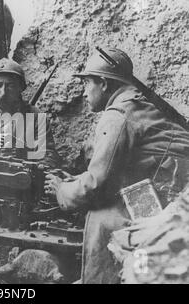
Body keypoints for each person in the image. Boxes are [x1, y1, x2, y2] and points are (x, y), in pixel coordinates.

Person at [45, 48, 189, 284]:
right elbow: (125, 170)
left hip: (155, 205)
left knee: (102, 217)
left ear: (103, 83)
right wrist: (76, 180)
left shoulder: (119, 113)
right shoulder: (141, 105)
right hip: (173, 200)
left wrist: (62, 189)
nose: (83, 93)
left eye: (87, 83)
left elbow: (96, 187)